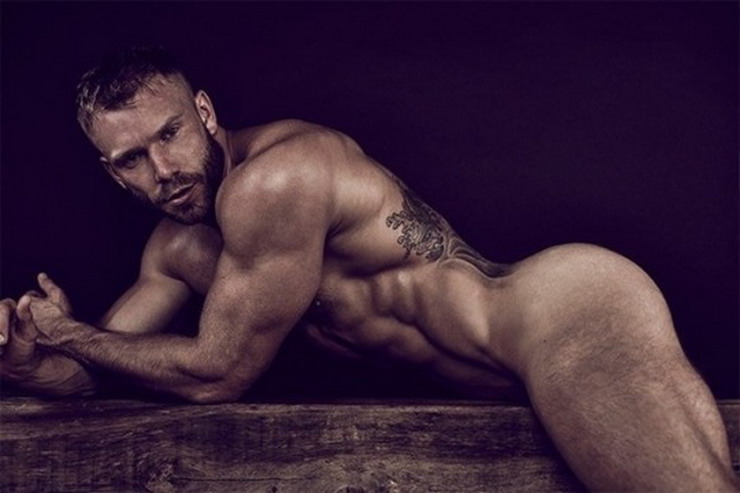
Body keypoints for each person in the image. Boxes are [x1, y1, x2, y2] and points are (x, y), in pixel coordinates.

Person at [0, 46, 736, 491]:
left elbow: (216, 372)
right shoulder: (173, 249)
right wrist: (37, 359)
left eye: (171, 134)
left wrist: (73, 333)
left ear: (206, 113)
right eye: (133, 158)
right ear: (111, 170)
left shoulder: (272, 181)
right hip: (511, 375)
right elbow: (111, 365)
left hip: (559, 313)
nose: (163, 170)